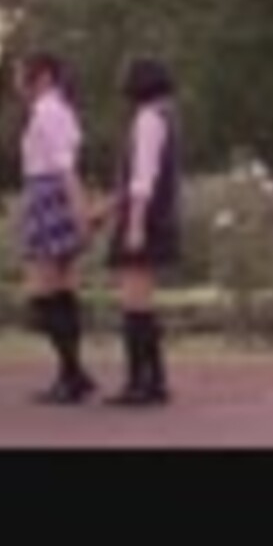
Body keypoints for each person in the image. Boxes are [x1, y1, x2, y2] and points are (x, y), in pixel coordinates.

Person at [97, 59, 181, 406]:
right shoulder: (166, 116)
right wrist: (109, 209)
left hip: (146, 217)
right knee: (141, 302)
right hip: (157, 215)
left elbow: (142, 178)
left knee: (134, 303)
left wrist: (134, 224)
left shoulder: (148, 119)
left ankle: (140, 381)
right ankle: (153, 379)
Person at [16, 52, 96, 404]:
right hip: (51, 192)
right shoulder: (59, 109)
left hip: (49, 193)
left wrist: (79, 208)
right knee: (60, 288)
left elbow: (65, 165)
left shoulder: (47, 110)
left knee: (44, 291)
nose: (18, 82)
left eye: (23, 74)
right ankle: (72, 373)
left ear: (44, 76)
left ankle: (72, 373)